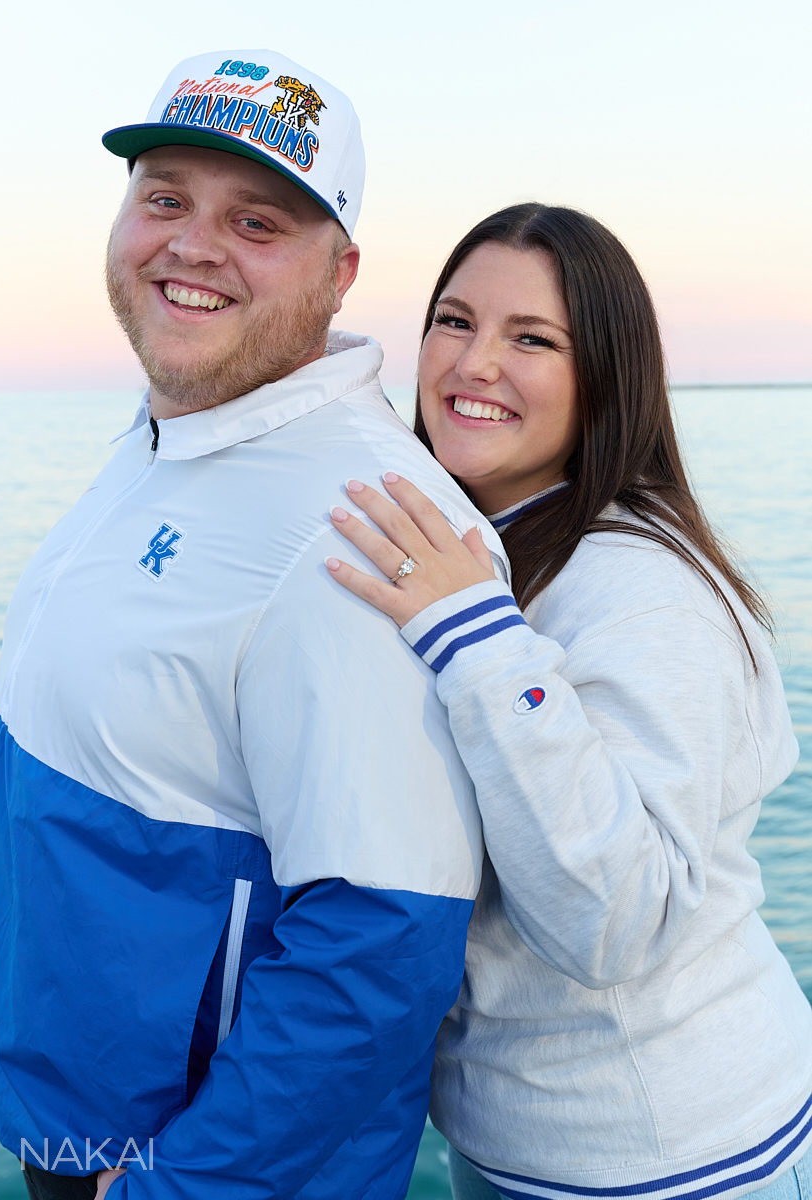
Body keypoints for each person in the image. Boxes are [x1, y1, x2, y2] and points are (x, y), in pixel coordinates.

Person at [0, 50, 509, 1200]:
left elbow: (384, 946)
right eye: (165, 198)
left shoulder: (357, 527)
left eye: (256, 220)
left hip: (186, 1168)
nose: (192, 245)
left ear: (341, 270)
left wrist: (179, 1188)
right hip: (78, 1128)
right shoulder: (179, 426)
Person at [325, 203, 812, 1200]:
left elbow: (614, 922)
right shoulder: (484, 547)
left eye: (532, 339)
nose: (473, 364)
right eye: (454, 322)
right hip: (518, 1144)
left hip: (678, 1160)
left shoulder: (646, 591)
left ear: (605, 376)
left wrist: (477, 639)